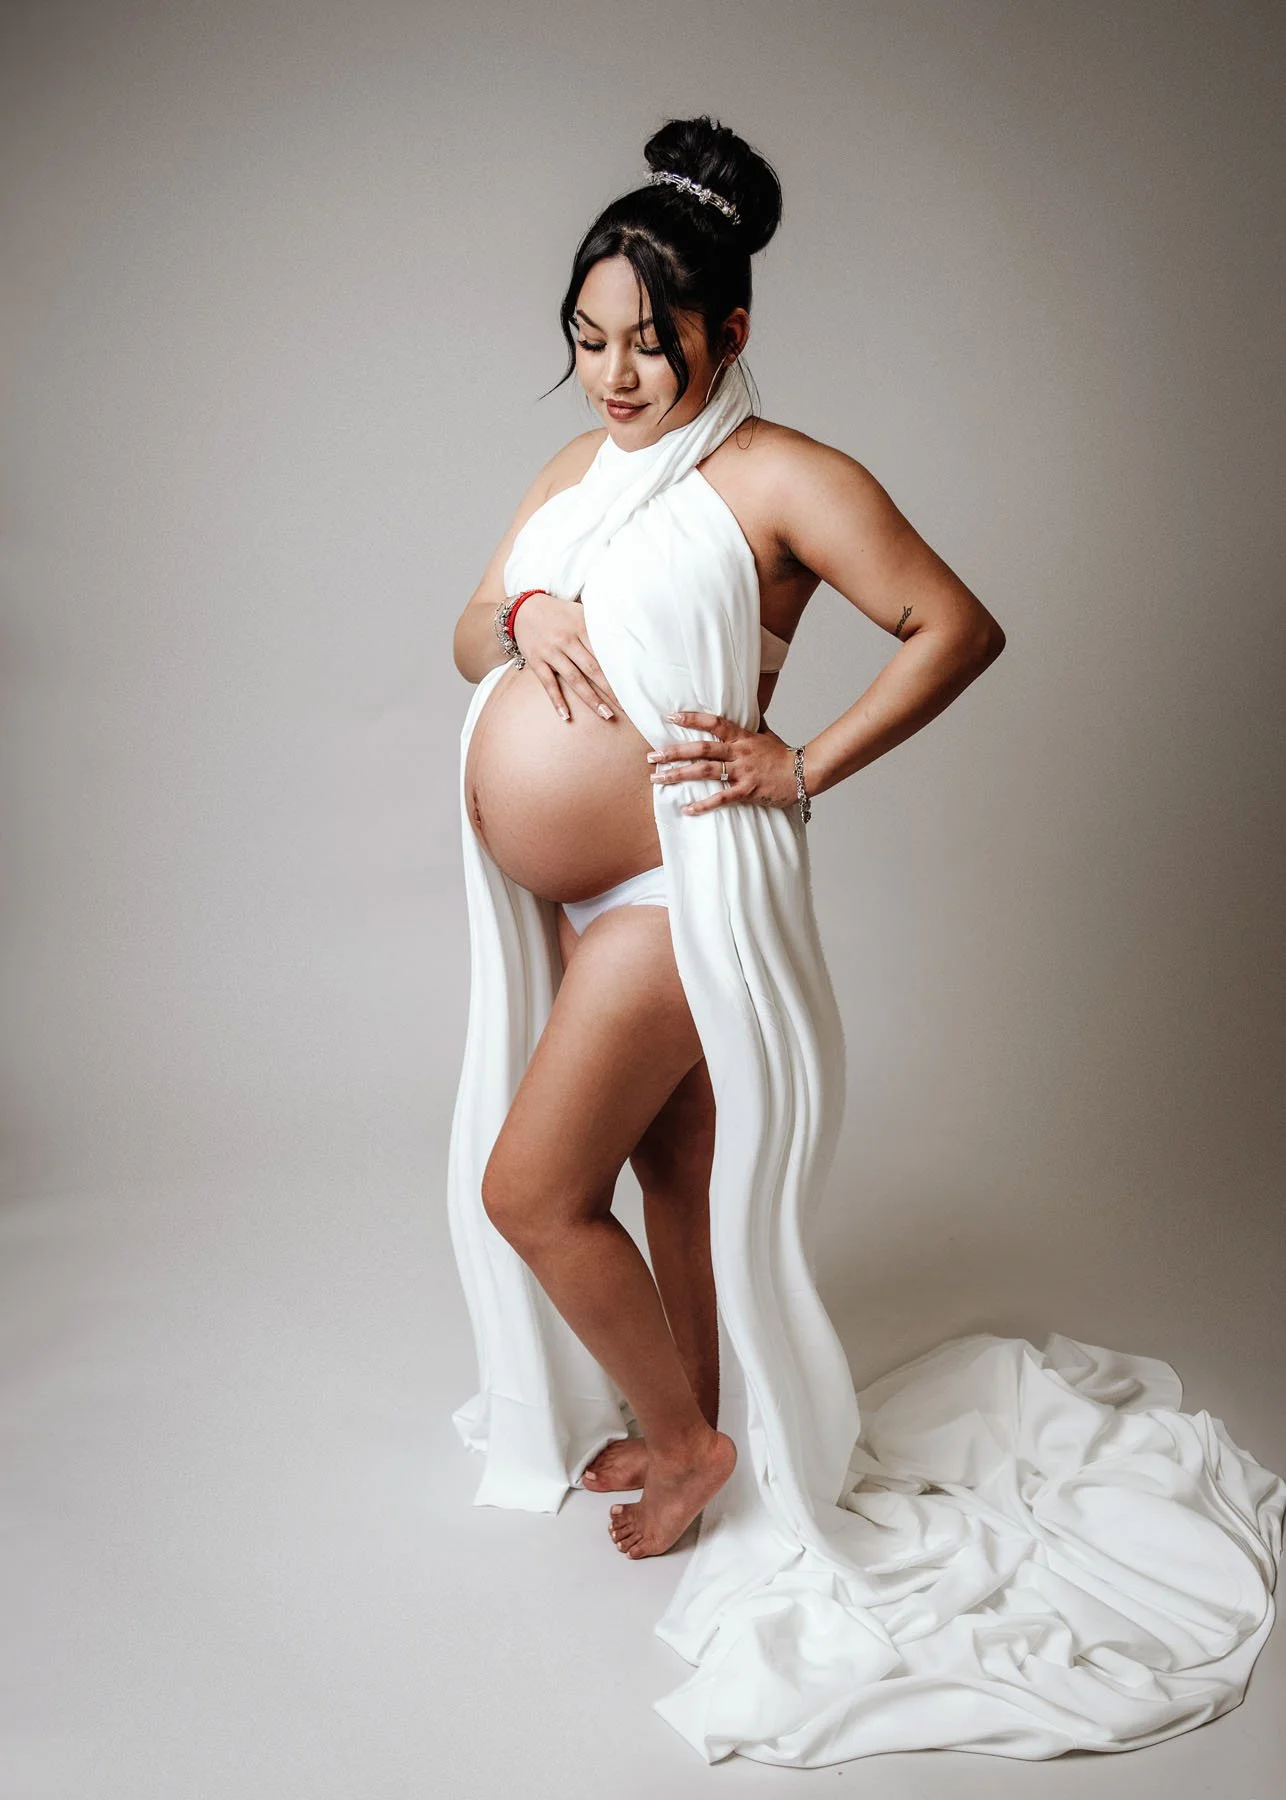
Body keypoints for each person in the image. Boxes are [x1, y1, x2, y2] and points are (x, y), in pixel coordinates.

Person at [447, 116, 1283, 1768]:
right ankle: (691, 1411)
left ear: (730, 333)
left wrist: (802, 762)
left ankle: (687, 1448)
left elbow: (953, 626)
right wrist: (527, 617)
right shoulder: (578, 465)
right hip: (584, 893)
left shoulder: (785, 478)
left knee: (531, 1193)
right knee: (669, 1177)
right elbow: (471, 623)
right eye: (589, 339)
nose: (614, 375)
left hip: (684, 891)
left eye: (650, 344)